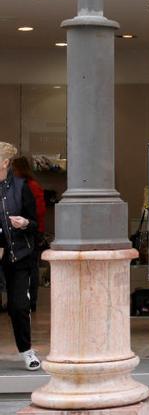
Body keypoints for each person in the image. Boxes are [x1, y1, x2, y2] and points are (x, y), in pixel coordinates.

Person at [0, 142, 41, 371]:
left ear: (5, 163)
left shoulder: (21, 186)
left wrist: (25, 223)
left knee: (18, 306)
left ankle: (27, 351)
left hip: (18, 255)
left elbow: (34, 223)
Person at [11, 157, 46, 311]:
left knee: (30, 268)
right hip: (31, 230)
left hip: (31, 231)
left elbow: (37, 212)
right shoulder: (31, 185)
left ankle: (29, 302)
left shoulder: (28, 186)